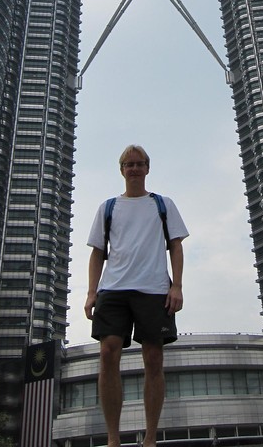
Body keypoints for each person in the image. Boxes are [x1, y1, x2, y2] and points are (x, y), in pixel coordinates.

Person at [85, 144, 189, 447]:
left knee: (154, 359)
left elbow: (176, 246)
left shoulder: (162, 204)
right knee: (107, 353)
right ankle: (113, 439)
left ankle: (151, 439)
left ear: (147, 168)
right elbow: (97, 253)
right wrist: (91, 292)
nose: (134, 169)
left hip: (154, 289)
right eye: (128, 164)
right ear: (121, 170)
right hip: (113, 289)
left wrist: (177, 286)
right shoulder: (108, 207)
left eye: (139, 164)